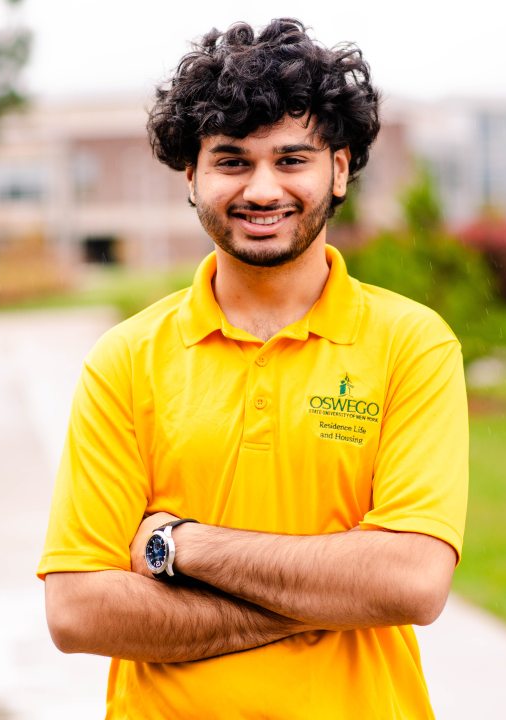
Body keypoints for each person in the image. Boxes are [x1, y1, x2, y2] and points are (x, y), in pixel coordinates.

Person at [38, 18, 468, 719]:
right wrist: (326, 598)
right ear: (191, 175)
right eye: (233, 161)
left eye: (291, 159)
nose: (262, 190)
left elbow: (412, 582)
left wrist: (179, 545)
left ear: (338, 167)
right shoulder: (126, 360)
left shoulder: (411, 346)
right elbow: (78, 610)